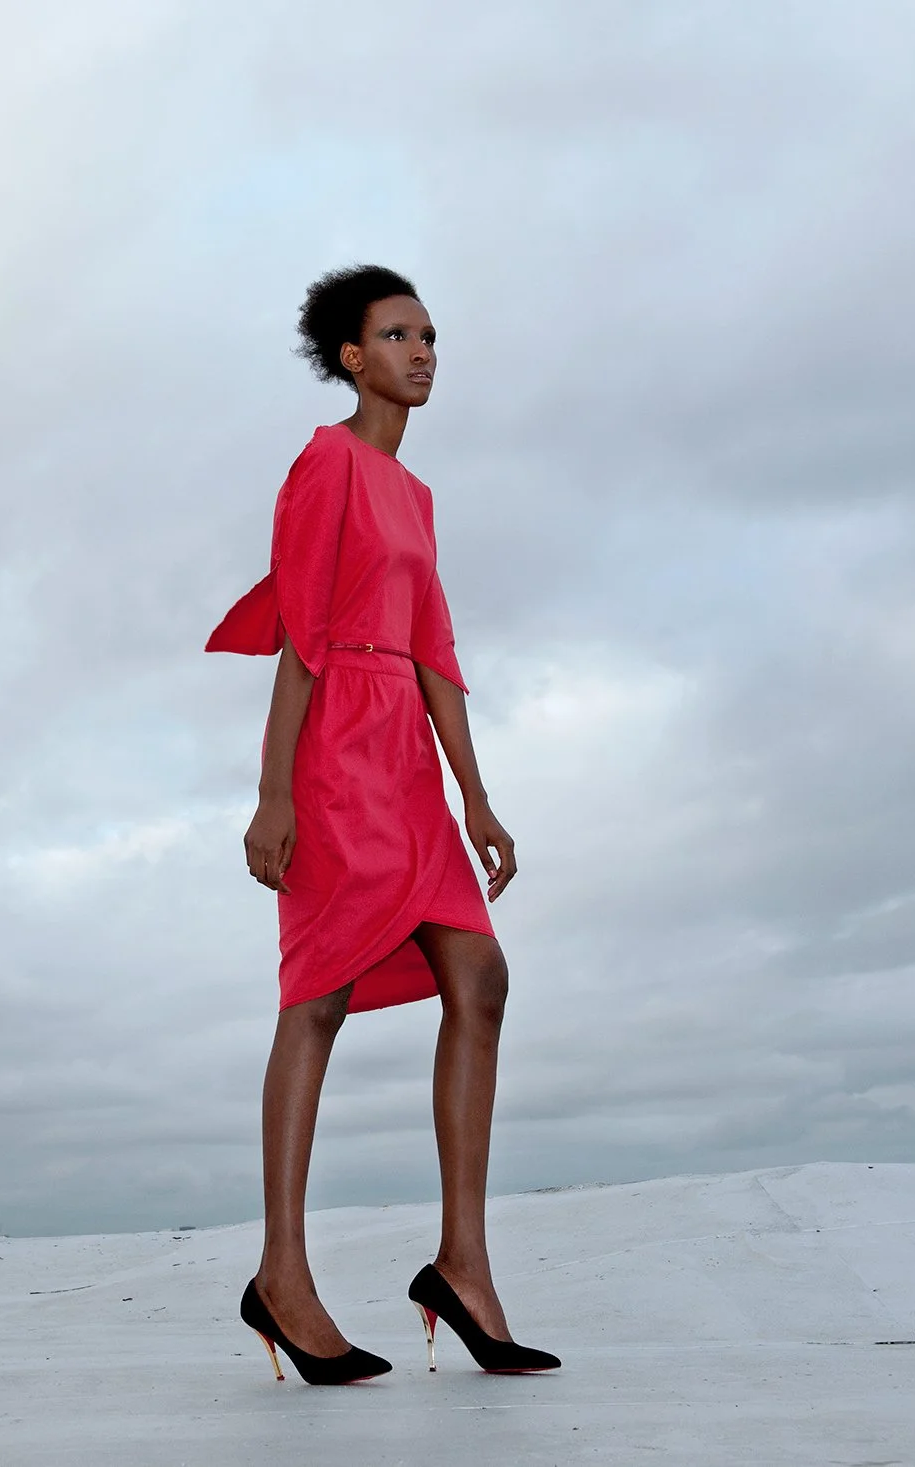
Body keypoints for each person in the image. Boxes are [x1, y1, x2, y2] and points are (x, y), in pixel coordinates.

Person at [207, 266, 560, 1384]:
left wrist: (476, 792)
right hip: (333, 757)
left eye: (430, 336)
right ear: (350, 357)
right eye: (397, 334)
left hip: (404, 753)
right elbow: (304, 633)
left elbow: (437, 654)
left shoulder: (416, 495)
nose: (422, 352)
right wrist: (273, 794)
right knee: (315, 1001)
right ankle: (282, 1276)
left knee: (481, 977)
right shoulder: (325, 464)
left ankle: (463, 1265)